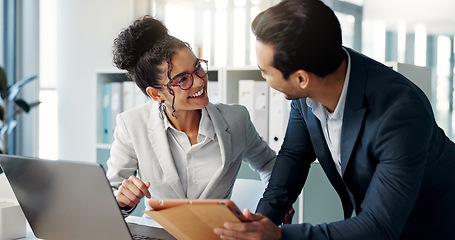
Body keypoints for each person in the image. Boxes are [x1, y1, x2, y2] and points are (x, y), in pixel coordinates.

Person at [214, 0, 455, 239]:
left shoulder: (401, 112)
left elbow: (379, 226)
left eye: (265, 71)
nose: (262, 76)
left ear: (301, 78)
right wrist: (262, 222)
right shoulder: (311, 81)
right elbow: (294, 157)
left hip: (432, 225)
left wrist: (278, 236)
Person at [106, 15, 276, 217]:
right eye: (182, 80)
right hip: (159, 236)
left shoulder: (236, 118)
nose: (198, 82)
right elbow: (110, 198)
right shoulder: (132, 125)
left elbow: (269, 164)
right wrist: (122, 200)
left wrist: (276, 205)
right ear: (155, 94)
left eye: (198, 68)